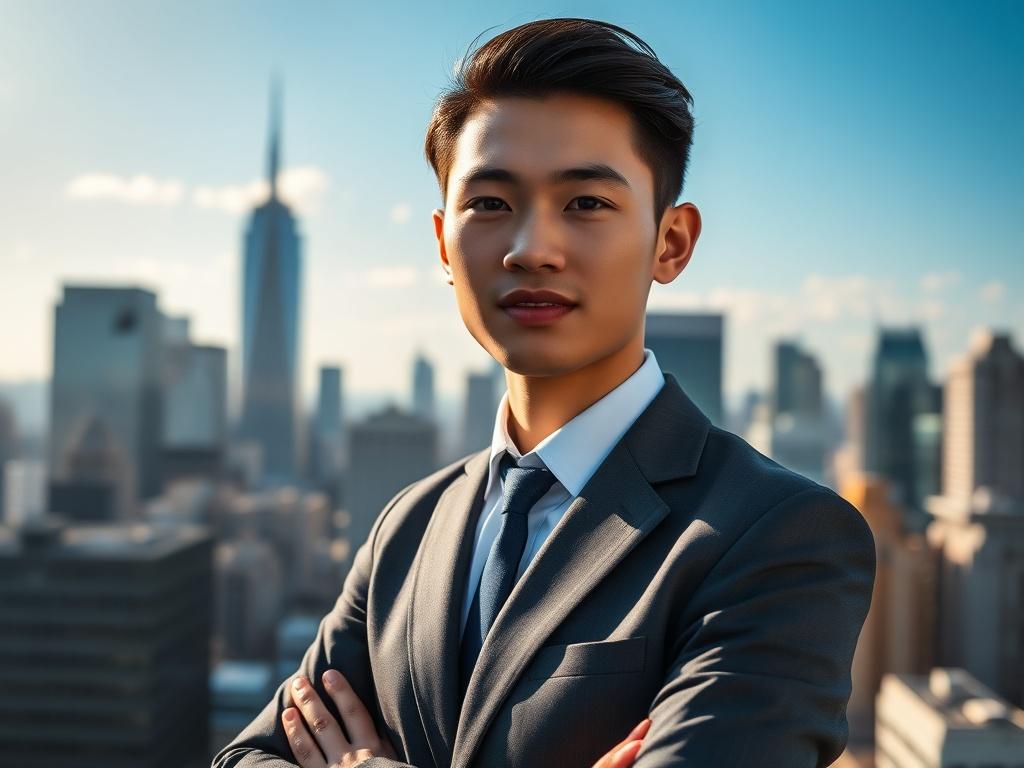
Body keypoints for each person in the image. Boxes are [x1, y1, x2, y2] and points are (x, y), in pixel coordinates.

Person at [213, 17, 875, 768]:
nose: (531, 248)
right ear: (442, 244)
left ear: (672, 243)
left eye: (586, 203)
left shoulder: (778, 534)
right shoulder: (411, 526)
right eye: (490, 204)